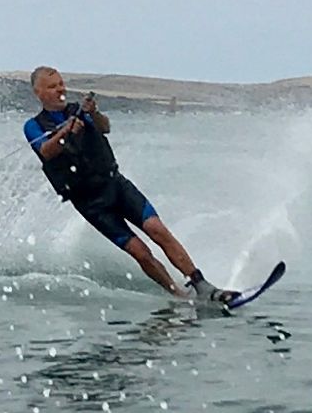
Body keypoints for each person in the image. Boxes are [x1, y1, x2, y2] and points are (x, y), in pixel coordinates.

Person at [23, 65, 236, 302]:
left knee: (156, 229)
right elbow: (46, 151)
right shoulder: (33, 126)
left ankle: (202, 284)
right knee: (141, 253)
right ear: (38, 92)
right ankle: (180, 295)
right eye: (52, 86)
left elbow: (105, 127)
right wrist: (65, 131)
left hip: (115, 184)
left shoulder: (80, 111)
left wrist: (93, 113)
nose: (59, 89)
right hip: (90, 202)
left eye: (61, 84)